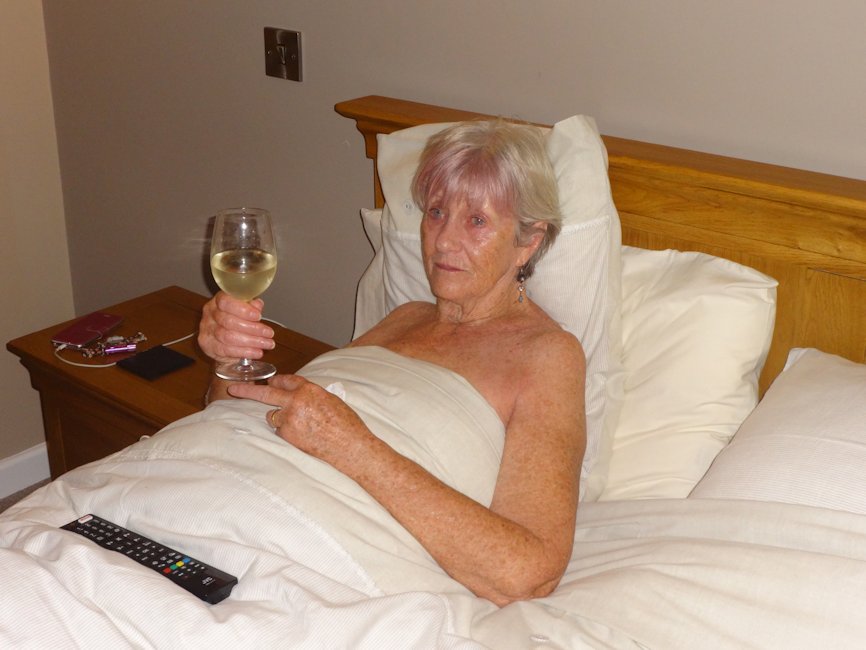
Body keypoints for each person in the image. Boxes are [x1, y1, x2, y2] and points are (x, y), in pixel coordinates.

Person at [197, 119, 587, 607]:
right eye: (437, 212)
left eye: (477, 221)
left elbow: (527, 573)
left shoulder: (548, 353)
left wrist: (348, 445)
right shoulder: (403, 318)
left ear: (528, 241)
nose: (443, 241)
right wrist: (228, 361)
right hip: (208, 486)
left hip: (279, 543)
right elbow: (232, 415)